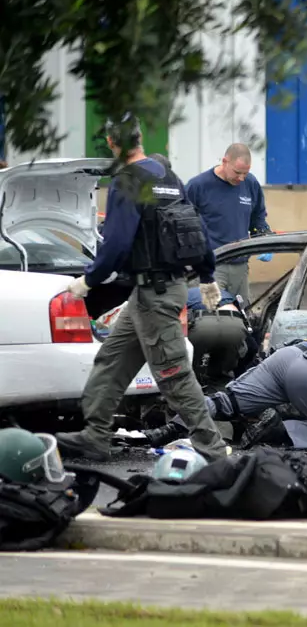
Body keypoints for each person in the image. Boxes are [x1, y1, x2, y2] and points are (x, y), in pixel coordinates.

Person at [55, 114, 229, 462]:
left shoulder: (127, 180)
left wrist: (88, 281)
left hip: (155, 296)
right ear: (140, 138)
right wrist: (207, 275)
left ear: (111, 143)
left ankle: (214, 450)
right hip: (155, 292)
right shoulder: (167, 175)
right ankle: (95, 435)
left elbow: (117, 243)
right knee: (112, 360)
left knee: (174, 375)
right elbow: (194, 228)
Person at [185, 143, 271, 302]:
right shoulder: (198, 186)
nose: (241, 178)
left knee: (244, 315)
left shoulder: (250, 183)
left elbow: (258, 216)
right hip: (213, 267)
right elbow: (183, 223)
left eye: (245, 173)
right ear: (225, 162)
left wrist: (264, 236)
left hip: (241, 265)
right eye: (237, 172)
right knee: (214, 315)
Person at [185, 285, 254, 391]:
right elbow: (251, 345)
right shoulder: (224, 293)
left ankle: (196, 392)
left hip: (202, 324)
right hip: (233, 323)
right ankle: (230, 393)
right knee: (222, 371)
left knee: (192, 366)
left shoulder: (183, 294)